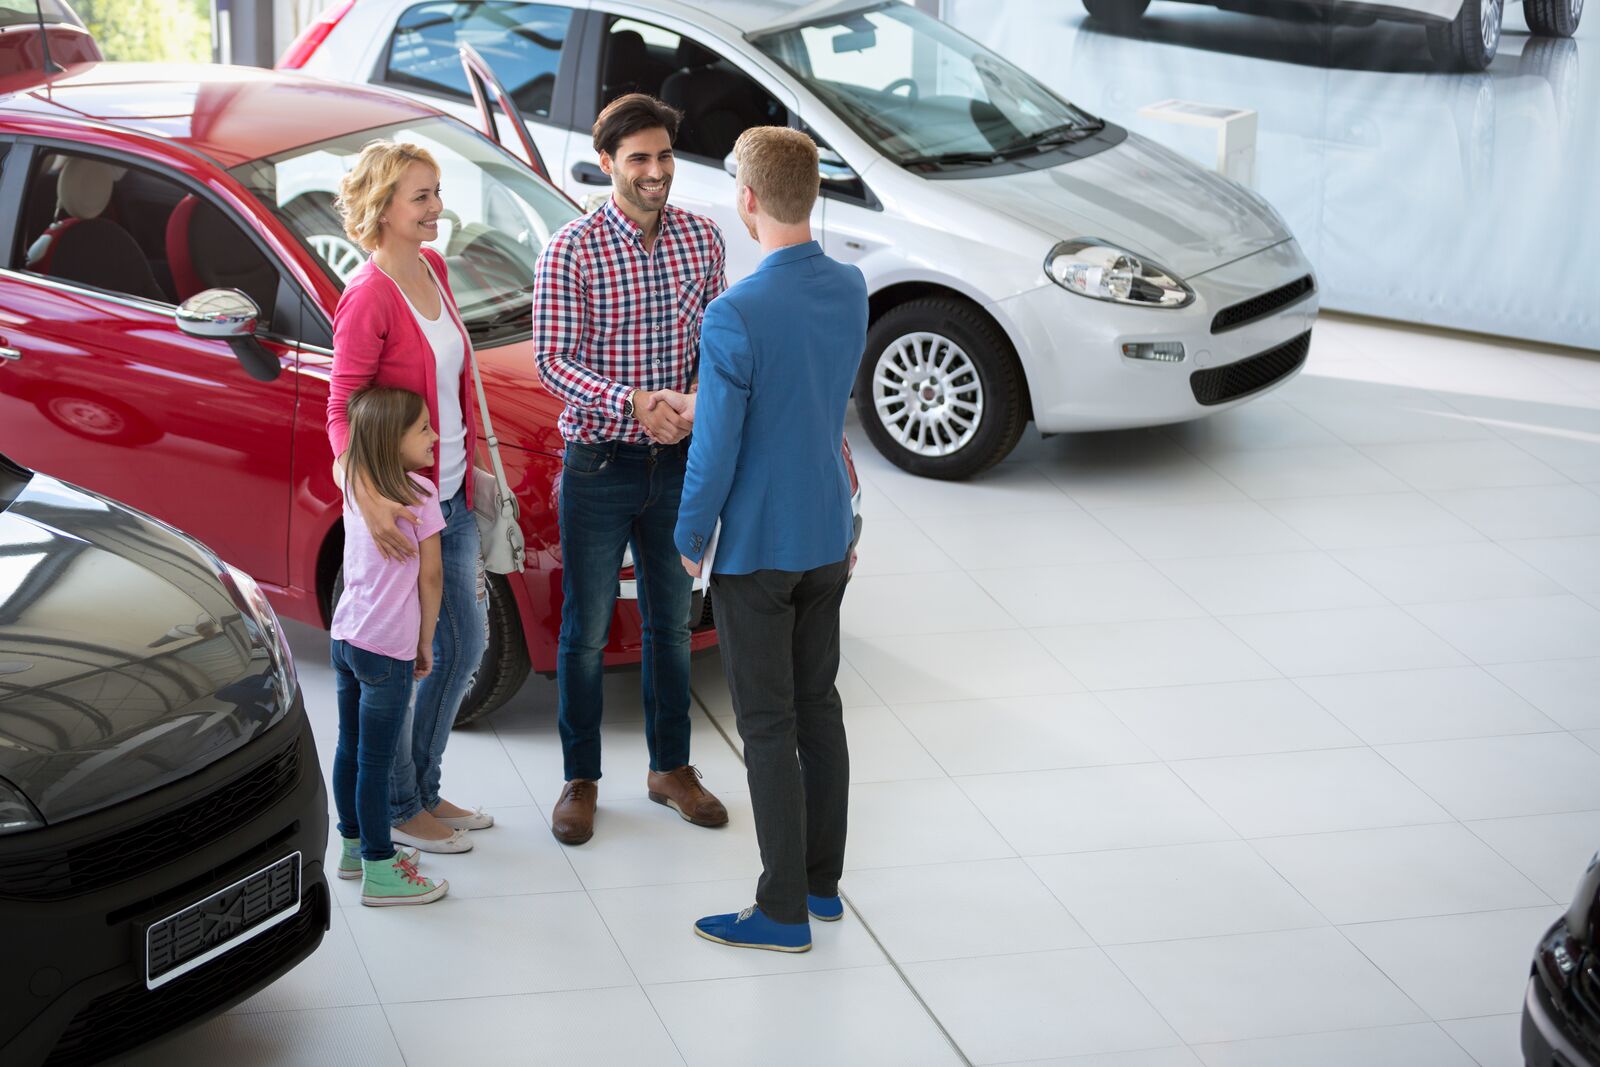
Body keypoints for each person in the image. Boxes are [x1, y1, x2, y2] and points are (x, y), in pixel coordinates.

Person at [669, 127, 868, 952]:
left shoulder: (735, 312)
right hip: (827, 530)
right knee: (819, 707)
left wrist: (688, 536)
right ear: (809, 194)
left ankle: (780, 908)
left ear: (747, 201)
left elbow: (716, 447)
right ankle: (822, 886)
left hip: (759, 547)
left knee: (769, 725)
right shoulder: (851, 286)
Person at [531, 94, 729, 846]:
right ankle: (580, 778)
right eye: (639, 158)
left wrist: (696, 400)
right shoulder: (571, 249)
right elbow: (551, 360)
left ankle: (670, 769)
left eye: (665, 156)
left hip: (678, 462)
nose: (655, 172)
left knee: (671, 624)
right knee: (583, 630)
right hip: (599, 461)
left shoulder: (702, 240)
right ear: (607, 161)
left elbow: (718, 344)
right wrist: (633, 400)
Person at [328, 140, 491, 855]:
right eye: (421, 196)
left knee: (462, 644)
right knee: (402, 658)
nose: (437, 207)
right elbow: (342, 409)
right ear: (383, 208)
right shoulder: (367, 297)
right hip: (402, 507)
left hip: (450, 495)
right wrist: (366, 496)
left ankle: (421, 786)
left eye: (437, 191)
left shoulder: (433, 267)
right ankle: (397, 803)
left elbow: (452, 384)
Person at [329, 386, 449, 907]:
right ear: (391, 439)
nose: (435, 435)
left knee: (349, 747)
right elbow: (433, 578)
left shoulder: (358, 487)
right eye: (422, 428)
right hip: (388, 648)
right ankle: (380, 868)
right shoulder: (420, 497)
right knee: (375, 762)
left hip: (346, 635)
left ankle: (353, 848)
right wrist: (425, 642)